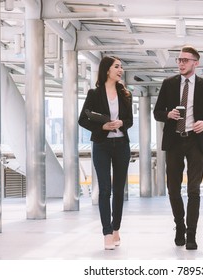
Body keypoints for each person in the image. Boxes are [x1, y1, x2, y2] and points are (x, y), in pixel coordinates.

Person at [153, 46, 203, 250]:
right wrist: (168, 115)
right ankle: (180, 226)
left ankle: (191, 233)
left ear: (195, 63)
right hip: (174, 140)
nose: (181, 63)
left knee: (194, 190)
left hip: (195, 140)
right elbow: (157, 112)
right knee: (173, 189)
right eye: (179, 60)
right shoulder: (168, 84)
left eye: (185, 60)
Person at [78, 56, 133, 250]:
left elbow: (130, 121)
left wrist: (121, 123)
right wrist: (103, 125)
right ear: (107, 70)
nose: (120, 70)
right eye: (117, 66)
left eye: (121, 67)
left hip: (122, 145)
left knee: (119, 190)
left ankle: (116, 228)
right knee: (105, 190)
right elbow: (82, 120)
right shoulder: (94, 93)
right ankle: (107, 233)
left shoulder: (126, 94)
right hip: (102, 145)